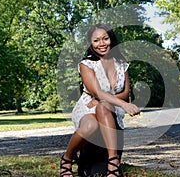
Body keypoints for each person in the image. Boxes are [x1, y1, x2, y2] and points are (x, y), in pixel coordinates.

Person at [60, 23, 140, 177]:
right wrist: (123, 104)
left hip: (110, 111)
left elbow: (125, 92)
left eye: (105, 38)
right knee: (90, 125)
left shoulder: (122, 64)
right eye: (96, 40)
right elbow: (95, 91)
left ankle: (113, 161)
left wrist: (107, 101)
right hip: (88, 107)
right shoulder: (87, 64)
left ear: (112, 39)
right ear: (90, 43)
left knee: (103, 106)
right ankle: (67, 159)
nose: (101, 44)